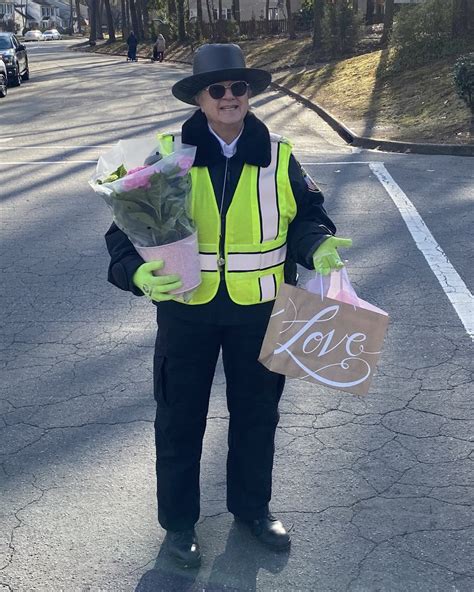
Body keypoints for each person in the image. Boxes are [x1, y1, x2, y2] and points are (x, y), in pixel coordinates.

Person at [105, 43, 352, 569]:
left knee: (258, 415)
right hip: (187, 309)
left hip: (261, 309)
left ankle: (253, 510)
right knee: (178, 418)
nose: (229, 97)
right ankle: (178, 525)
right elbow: (124, 228)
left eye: (239, 87)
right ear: (199, 97)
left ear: (249, 94)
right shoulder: (169, 154)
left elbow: (307, 217)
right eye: (217, 89)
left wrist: (319, 244)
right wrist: (135, 273)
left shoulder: (281, 156)